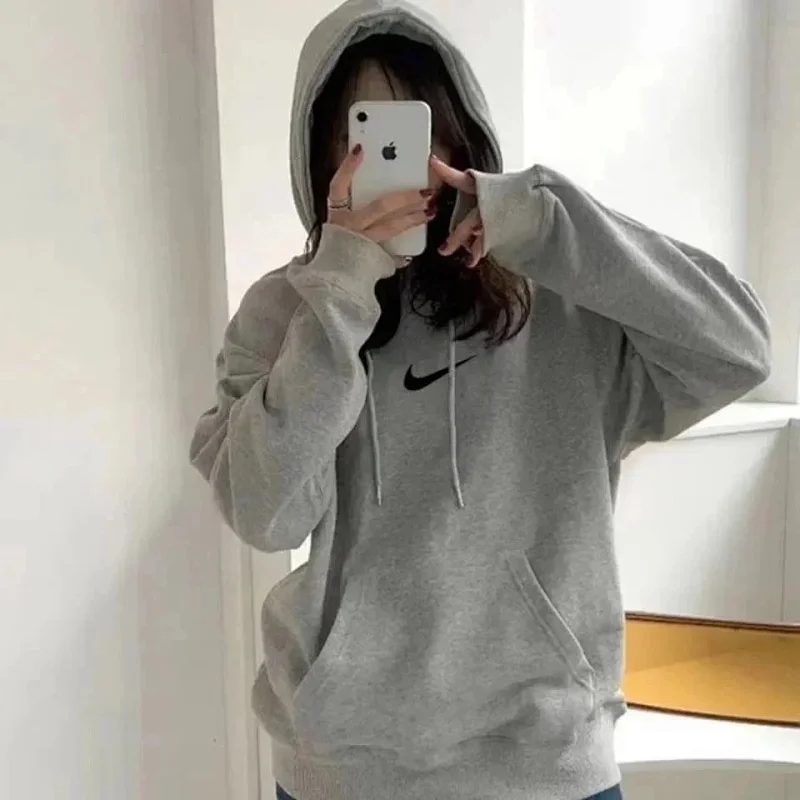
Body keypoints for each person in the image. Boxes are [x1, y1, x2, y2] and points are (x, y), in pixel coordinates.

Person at [189, 1, 772, 798]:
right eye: (365, 134)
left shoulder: (559, 300)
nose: (408, 161)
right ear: (322, 159)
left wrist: (543, 219)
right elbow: (266, 512)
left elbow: (737, 349)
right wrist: (343, 287)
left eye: (424, 126)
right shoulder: (288, 313)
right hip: (348, 773)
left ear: (465, 135)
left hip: (547, 767)